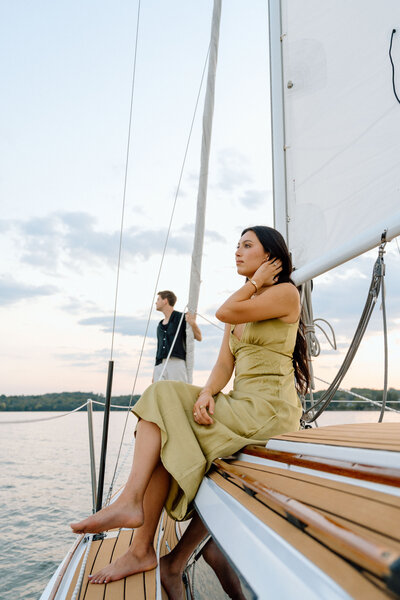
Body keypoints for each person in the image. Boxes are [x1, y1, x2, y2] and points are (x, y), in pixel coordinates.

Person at [70, 225, 310, 597]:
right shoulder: (245, 310)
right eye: (236, 244)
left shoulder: (285, 294)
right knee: (161, 403)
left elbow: (224, 310)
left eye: (247, 245)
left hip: (269, 411)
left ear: (271, 257)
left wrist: (256, 282)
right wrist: (206, 395)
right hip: (241, 403)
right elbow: (222, 369)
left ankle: (136, 526)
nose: (237, 251)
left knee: (164, 410)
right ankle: (137, 533)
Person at [153, 290, 202, 383]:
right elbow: (158, 348)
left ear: (165, 301)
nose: (156, 302)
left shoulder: (181, 317)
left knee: (177, 393)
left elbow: (199, 337)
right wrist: (155, 371)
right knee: (159, 394)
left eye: (158, 299)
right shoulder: (160, 325)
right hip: (159, 365)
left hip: (176, 363)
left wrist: (192, 323)